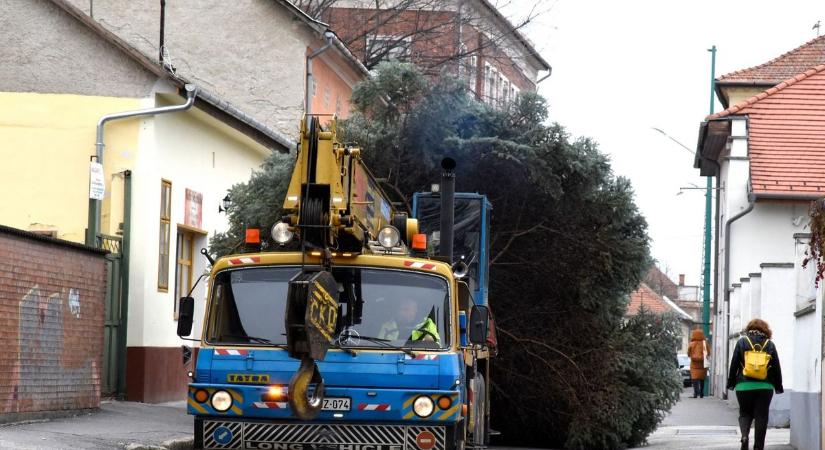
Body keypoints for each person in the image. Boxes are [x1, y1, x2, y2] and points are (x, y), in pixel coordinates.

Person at [727, 319, 783, 450]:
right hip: (765, 386)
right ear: (765, 330)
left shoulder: (742, 342)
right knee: (761, 417)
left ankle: (745, 436)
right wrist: (778, 386)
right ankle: (758, 447)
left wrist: (731, 383)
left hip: (743, 386)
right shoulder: (770, 344)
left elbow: (734, 363)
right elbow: (776, 367)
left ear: (749, 328)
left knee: (745, 413)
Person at [688, 328, 710, 398]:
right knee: (702, 379)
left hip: (694, 364)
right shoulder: (704, 343)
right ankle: (701, 393)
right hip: (703, 364)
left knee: (694, 379)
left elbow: (688, 353)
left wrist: (691, 355)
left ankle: (695, 393)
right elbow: (708, 352)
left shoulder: (691, 343)